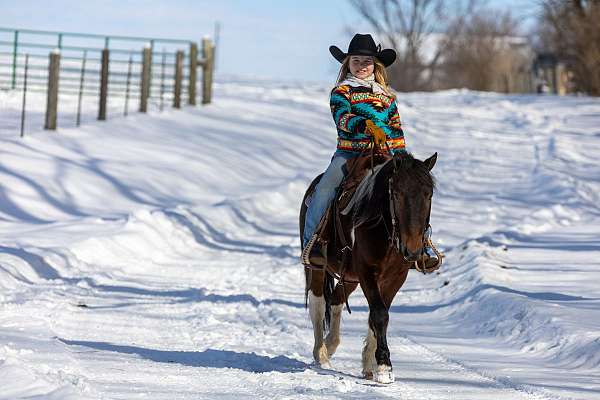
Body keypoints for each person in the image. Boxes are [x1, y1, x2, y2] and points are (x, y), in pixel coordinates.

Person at [302, 33, 439, 268]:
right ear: (347, 63)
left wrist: (401, 156)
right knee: (325, 188)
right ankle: (314, 243)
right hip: (350, 154)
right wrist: (365, 124)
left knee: (413, 191)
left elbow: (395, 127)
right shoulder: (341, 92)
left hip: (386, 156)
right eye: (356, 61)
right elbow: (342, 118)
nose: (361, 66)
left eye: (366, 62)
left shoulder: (386, 96)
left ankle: (422, 243)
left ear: (375, 65)